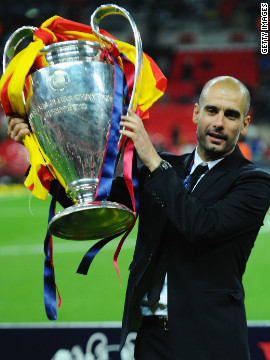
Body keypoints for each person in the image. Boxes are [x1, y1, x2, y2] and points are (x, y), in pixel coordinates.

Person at [7, 76, 270, 360]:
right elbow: (93, 200)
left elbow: (201, 226)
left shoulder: (254, 183)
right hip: (151, 339)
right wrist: (36, 147)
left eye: (231, 115)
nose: (219, 122)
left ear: (244, 124)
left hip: (211, 341)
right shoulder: (165, 169)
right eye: (212, 110)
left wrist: (153, 160)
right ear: (196, 113)